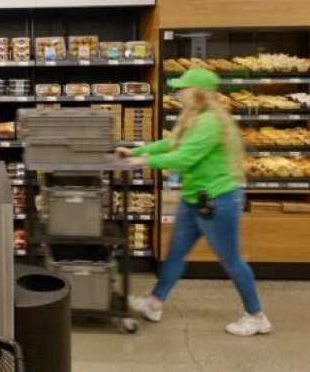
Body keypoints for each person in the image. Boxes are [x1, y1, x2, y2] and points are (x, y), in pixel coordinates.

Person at [115, 67, 271, 337]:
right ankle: (155, 302)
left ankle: (256, 315)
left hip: (218, 199)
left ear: (197, 92)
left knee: (231, 259)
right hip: (194, 198)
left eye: (183, 88)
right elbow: (170, 144)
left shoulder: (210, 122)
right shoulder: (193, 117)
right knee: (175, 252)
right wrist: (135, 150)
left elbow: (184, 158)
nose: (178, 92)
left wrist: (143, 161)